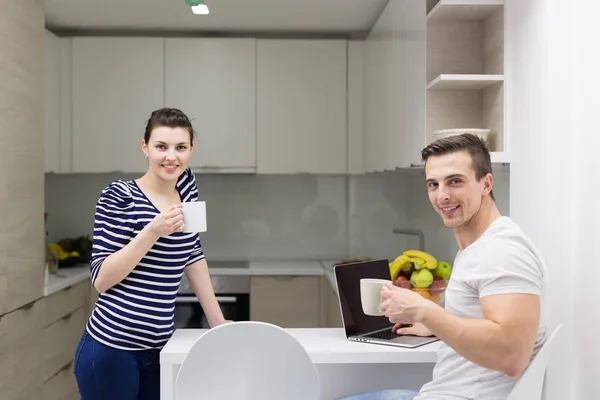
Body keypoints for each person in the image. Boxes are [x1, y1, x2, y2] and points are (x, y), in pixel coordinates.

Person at [339, 133, 548, 400]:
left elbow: (511, 354)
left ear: (486, 184)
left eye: (455, 181)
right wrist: (435, 324)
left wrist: (426, 312)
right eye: (433, 184)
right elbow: (486, 322)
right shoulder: (478, 247)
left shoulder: (503, 251)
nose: (442, 196)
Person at [73, 108, 230, 400]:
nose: (171, 157)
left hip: (160, 348)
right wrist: (151, 232)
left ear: (191, 150)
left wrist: (217, 321)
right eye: (161, 146)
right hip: (111, 350)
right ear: (145, 147)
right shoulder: (119, 196)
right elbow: (101, 279)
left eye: (180, 147)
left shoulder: (185, 185)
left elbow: (192, 251)